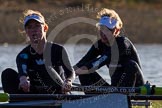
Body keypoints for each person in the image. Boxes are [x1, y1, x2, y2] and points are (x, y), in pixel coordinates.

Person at [1, 9, 75, 94]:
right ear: (26, 31)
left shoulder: (58, 50)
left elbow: (70, 72)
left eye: (37, 26)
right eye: (29, 27)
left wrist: (68, 81)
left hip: (57, 91)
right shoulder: (22, 55)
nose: (33, 30)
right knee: (7, 74)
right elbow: (22, 74)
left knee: (47, 67)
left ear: (45, 28)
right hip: (35, 92)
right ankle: (17, 102)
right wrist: (23, 80)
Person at [74, 8, 145, 92]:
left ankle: (123, 99)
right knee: (83, 71)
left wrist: (81, 69)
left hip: (136, 89)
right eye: (102, 28)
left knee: (131, 65)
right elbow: (83, 62)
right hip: (115, 89)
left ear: (117, 31)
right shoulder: (99, 44)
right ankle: (93, 102)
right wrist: (67, 76)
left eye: (109, 30)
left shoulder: (123, 43)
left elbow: (103, 60)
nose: (104, 33)